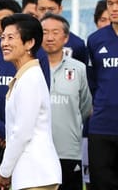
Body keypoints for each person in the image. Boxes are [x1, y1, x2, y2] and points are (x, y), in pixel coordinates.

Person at [0, 13, 61, 190]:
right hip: (30, 175)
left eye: (11, 38)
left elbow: (22, 132)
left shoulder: (30, 79)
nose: (4, 43)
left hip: (36, 175)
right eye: (3, 37)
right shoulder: (25, 76)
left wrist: (4, 172)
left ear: (29, 43)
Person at [41, 13, 92, 190]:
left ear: (66, 37)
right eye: (45, 32)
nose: (49, 37)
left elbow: (85, 107)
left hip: (69, 150)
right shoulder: (30, 69)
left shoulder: (79, 69)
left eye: (55, 32)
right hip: (37, 152)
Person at [87, 0, 118, 190]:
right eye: (110, 3)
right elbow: (92, 80)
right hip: (102, 126)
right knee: (101, 184)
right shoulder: (95, 40)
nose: (114, 9)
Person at [35, 0, 88, 64]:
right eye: (42, 9)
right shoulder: (25, 42)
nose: (46, 13)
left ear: (60, 9)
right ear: (36, 10)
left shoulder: (76, 44)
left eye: (51, 9)